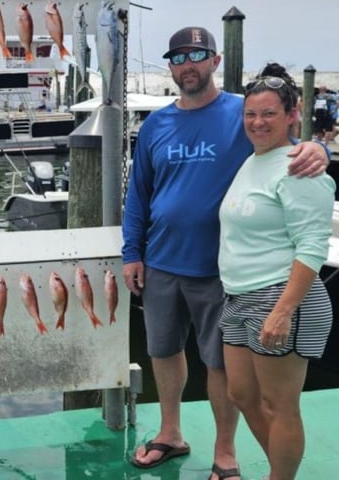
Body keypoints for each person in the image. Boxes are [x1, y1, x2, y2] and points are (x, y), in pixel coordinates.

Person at [121, 27, 327, 480]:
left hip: (222, 270)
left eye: (197, 54)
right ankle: (170, 432)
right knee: (163, 350)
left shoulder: (241, 112)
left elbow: (284, 142)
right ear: (170, 66)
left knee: (222, 369)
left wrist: (320, 148)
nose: (187, 64)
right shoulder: (156, 123)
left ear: (215, 61)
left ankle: (226, 452)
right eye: (178, 57)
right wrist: (131, 252)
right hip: (161, 260)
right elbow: (139, 194)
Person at [219, 64, 334, 480]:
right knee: (242, 394)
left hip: (282, 298)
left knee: (279, 404)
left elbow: (312, 246)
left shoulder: (300, 168)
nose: (257, 122)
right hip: (238, 296)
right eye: (251, 114)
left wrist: (284, 310)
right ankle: (280, 472)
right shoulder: (253, 161)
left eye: (269, 113)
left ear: (292, 116)